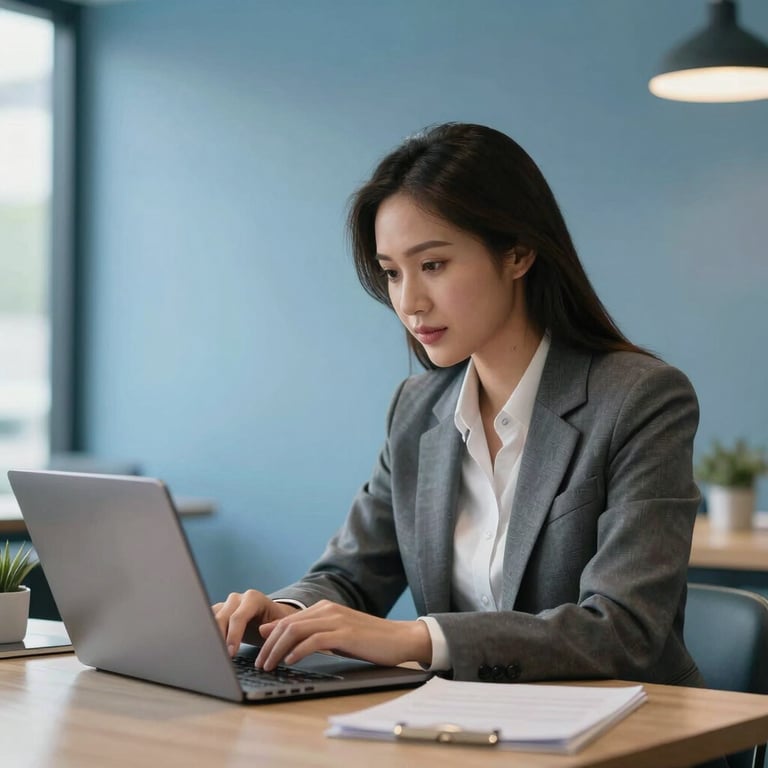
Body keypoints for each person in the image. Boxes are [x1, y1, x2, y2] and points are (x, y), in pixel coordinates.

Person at [213, 122, 704, 687]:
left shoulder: (640, 399)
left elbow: (623, 630)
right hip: (469, 729)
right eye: (392, 273)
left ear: (517, 253)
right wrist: (287, 615)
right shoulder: (417, 409)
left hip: (630, 734)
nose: (409, 302)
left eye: (433, 265)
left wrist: (417, 638)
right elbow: (349, 576)